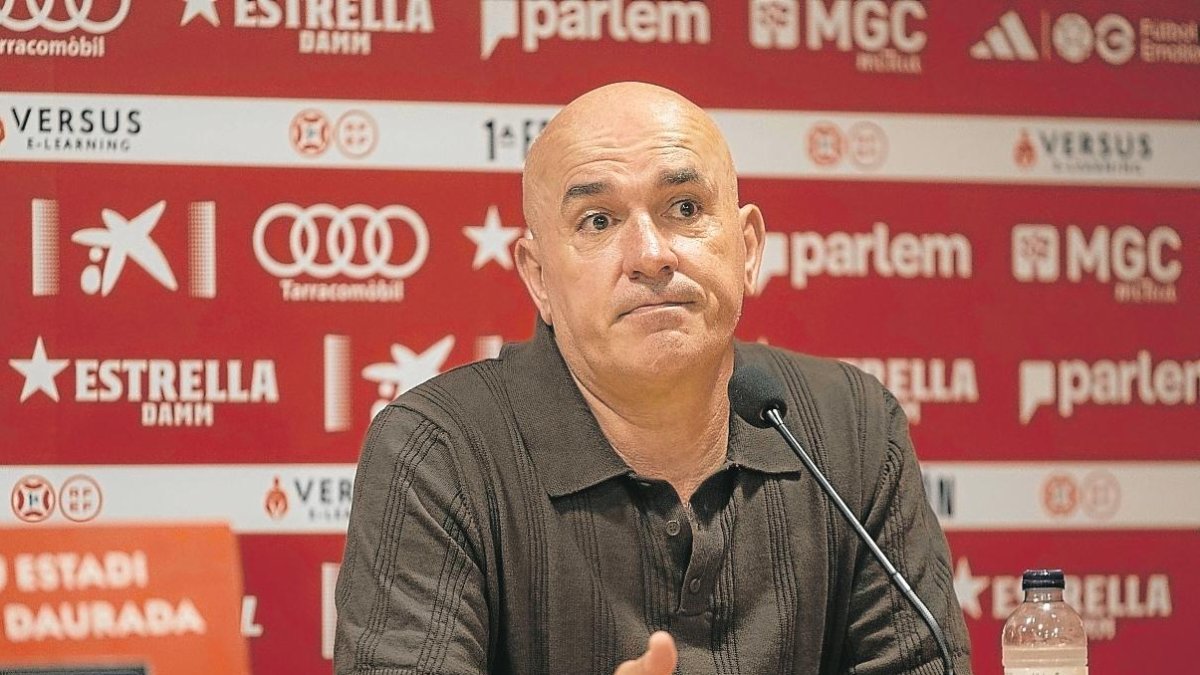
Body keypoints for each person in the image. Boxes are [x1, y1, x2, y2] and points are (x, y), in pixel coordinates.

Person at [334, 82, 972, 675]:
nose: (650, 255)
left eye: (685, 208)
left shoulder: (851, 426)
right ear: (537, 278)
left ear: (747, 248)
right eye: (598, 221)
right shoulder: (437, 454)